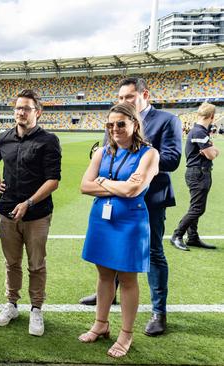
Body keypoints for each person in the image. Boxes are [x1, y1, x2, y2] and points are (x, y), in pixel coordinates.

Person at [79, 77, 181, 338]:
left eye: (129, 97)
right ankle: (105, 308)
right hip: (110, 205)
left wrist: (144, 167)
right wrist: (116, 182)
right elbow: (99, 165)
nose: (123, 102)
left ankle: (158, 311)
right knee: (107, 267)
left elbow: (172, 158)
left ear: (143, 95)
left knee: (152, 254)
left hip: (149, 199)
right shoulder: (115, 122)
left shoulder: (166, 120)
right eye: (121, 97)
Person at [78, 102, 159, 358]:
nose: (115, 129)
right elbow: (84, 186)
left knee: (127, 279)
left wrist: (102, 182)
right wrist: (117, 185)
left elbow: (133, 191)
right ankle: (100, 325)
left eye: (121, 124)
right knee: (103, 275)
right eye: (110, 125)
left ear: (135, 124)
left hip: (130, 223)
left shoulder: (149, 154)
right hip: (102, 221)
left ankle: (126, 333)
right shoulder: (102, 152)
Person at [0, 89, 61, 337]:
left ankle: (36, 308)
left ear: (37, 112)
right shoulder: (4, 137)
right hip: (7, 211)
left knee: (36, 264)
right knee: (11, 263)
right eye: (18, 107)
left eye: (26, 108)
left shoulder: (48, 140)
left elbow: (53, 180)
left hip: (37, 214)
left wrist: (28, 203)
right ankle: (11, 304)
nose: (21, 112)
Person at [170, 103, 220, 250]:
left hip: (198, 172)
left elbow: (210, 152)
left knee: (195, 206)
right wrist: (213, 150)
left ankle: (192, 237)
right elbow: (212, 154)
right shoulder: (199, 132)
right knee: (198, 208)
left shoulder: (199, 131)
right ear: (212, 117)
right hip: (198, 172)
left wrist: (211, 150)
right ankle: (177, 235)